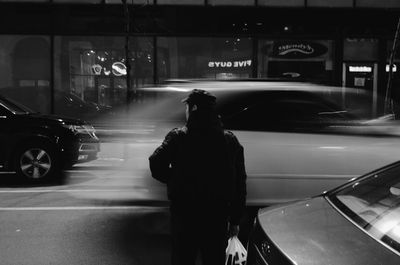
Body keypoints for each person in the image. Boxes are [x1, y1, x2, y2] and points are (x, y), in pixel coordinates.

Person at [149, 89, 247, 265]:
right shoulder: (229, 141)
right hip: (217, 218)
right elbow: (240, 182)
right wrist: (234, 220)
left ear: (193, 108)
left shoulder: (178, 137)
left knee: (183, 258)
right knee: (214, 258)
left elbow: (155, 164)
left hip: (185, 216)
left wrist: (175, 179)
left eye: (187, 107)